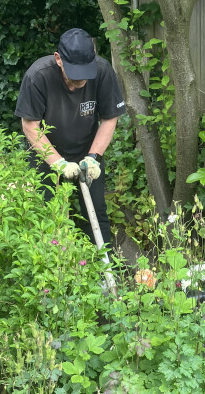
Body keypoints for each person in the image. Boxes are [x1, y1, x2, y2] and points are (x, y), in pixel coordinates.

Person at [15, 28, 126, 247]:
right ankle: (54, 271)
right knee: (46, 215)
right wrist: (58, 163)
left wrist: (94, 156)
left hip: (87, 150)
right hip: (45, 155)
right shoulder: (39, 76)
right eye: (74, 74)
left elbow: (109, 118)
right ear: (58, 59)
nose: (81, 81)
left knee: (96, 211)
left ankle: (103, 269)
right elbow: (30, 126)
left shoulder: (103, 71)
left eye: (85, 73)